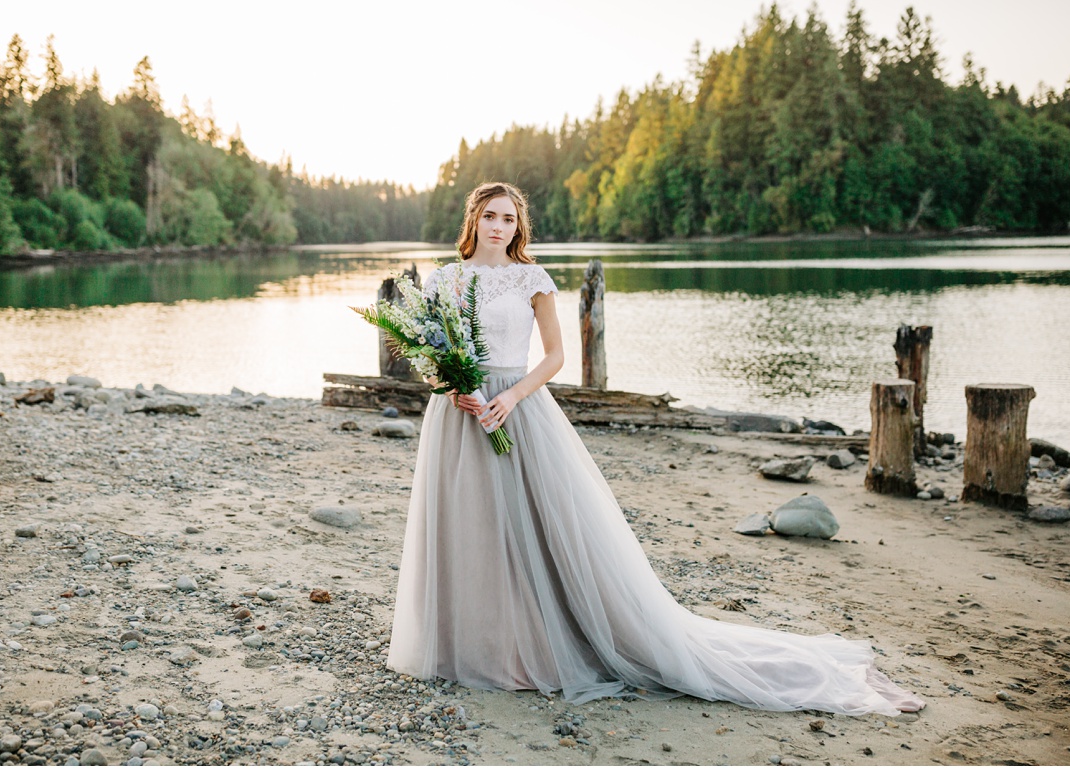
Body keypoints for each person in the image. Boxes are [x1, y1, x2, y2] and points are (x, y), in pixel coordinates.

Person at [386, 181, 924, 715]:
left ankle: (530, 646)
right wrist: (453, 387)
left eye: (508, 219)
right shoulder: (445, 279)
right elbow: (431, 351)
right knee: (468, 526)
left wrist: (512, 400)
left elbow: (553, 358)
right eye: (490, 217)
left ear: (518, 226)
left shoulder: (533, 278)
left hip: (517, 410)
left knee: (531, 527)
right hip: (458, 414)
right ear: (473, 220)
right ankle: (467, 644)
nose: (498, 227)